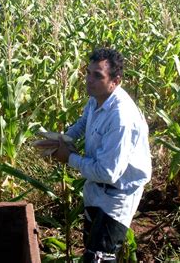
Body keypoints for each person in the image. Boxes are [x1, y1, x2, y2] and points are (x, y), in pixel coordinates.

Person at [50, 47, 152, 262]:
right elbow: (83, 123)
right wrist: (63, 139)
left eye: (98, 75)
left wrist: (68, 158)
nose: (89, 80)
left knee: (99, 258)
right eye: (88, 72)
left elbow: (108, 172)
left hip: (117, 195)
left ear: (115, 80)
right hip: (96, 189)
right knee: (92, 248)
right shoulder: (97, 98)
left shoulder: (121, 118)